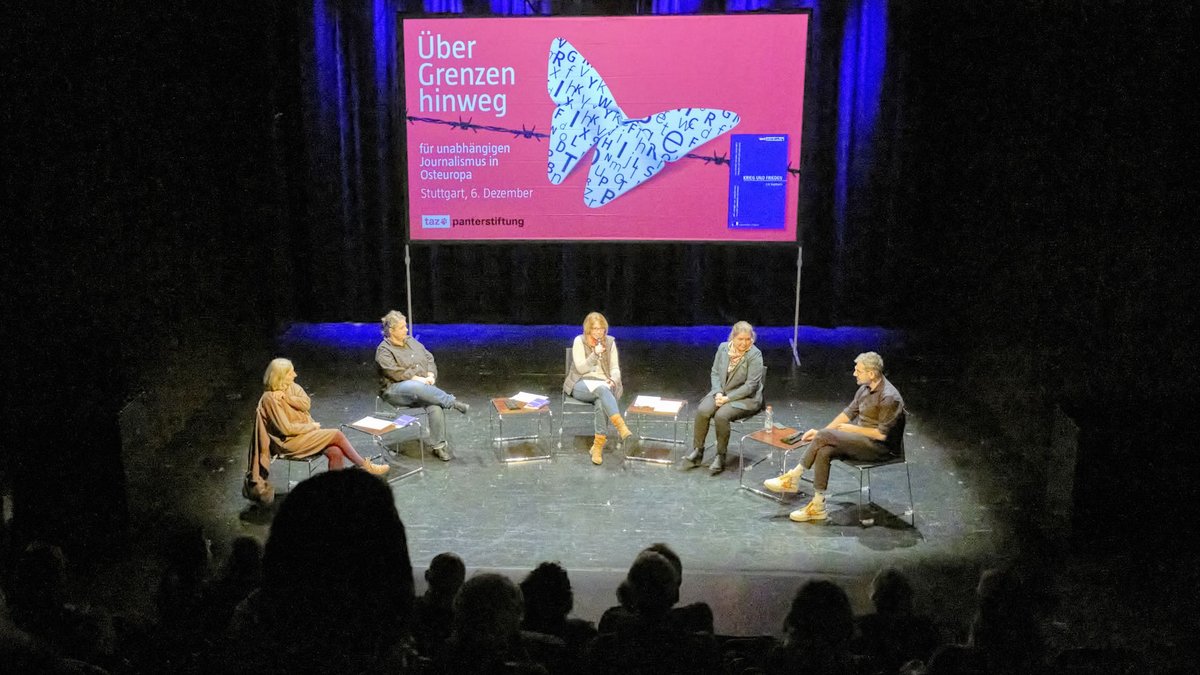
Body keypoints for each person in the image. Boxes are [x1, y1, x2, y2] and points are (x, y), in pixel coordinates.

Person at [763, 351, 904, 522]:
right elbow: (848, 414)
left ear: (872, 373)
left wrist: (850, 430)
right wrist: (821, 434)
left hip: (881, 449)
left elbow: (881, 434)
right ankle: (817, 506)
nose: (854, 374)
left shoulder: (889, 397)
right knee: (824, 450)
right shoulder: (864, 389)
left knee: (826, 439)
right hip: (862, 442)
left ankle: (794, 476)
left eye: (858, 371)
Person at [243, 358, 388, 505]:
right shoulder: (270, 399)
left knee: (335, 451)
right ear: (280, 375)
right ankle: (364, 466)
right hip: (289, 442)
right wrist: (310, 427)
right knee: (336, 434)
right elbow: (285, 429)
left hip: (303, 436)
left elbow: (306, 404)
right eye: (290, 372)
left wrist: (287, 398)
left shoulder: (291, 387)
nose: (294, 375)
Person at [376, 310, 469, 462]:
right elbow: (394, 372)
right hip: (395, 391)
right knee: (414, 385)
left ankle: (438, 446)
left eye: (405, 326)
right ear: (391, 331)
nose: (406, 330)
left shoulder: (411, 341)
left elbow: (429, 357)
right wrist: (416, 378)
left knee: (435, 405)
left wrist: (431, 374)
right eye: (402, 327)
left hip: (419, 388)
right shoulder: (384, 350)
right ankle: (452, 402)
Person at [682, 321, 764, 475]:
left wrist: (727, 399)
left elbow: (750, 386)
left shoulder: (755, 354)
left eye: (748, 339)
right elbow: (714, 372)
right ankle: (698, 451)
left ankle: (721, 455)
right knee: (702, 410)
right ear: (733, 338)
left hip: (746, 398)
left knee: (721, 415)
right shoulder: (722, 348)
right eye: (740, 339)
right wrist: (718, 392)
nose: (744, 343)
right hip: (722, 393)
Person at [563, 312, 631, 465]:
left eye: (601, 329)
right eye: (595, 329)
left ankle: (597, 446)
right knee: (602, 391)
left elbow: (615, 368)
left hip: (603, 384)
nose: (599, 332)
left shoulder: (610, 342)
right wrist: (594, 354)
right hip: (580, 383)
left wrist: (613, 379)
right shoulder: (579, 341)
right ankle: (620, 425)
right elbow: (580, 368)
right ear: (588, 329)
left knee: (601, 400)